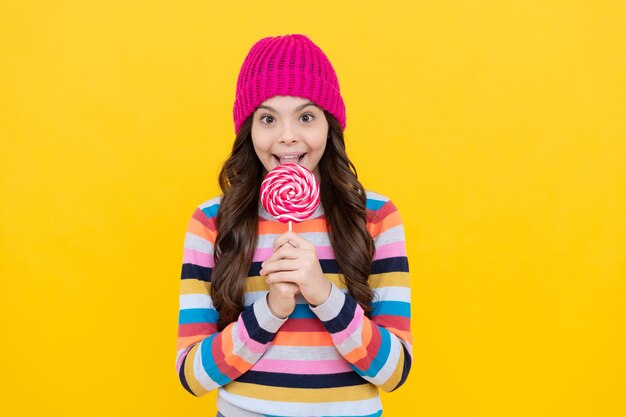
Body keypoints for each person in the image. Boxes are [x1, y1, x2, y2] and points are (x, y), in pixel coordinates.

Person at [176, 34, 412, 417]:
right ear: (248, 130)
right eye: (268, 118)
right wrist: (271, 308)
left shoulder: (375, 217)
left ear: (329, 125)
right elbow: (193, 376)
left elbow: (394, 371)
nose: (287, 135)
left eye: (305, 116)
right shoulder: (213, 222)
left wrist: (322, 293)